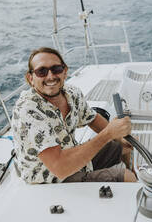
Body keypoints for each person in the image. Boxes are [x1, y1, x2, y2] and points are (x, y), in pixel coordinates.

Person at [11, 47, 136, 184]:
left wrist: (119, 136)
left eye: (56, 69)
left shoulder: (71, 93)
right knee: (126, 177)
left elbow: (92, 119)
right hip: (50, 178)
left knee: (123, 147)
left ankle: (134, 172)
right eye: (42, 71)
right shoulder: (28, 112)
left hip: (73, 159)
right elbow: (60, 168)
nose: (50, 76)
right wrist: (108, 134)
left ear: (65, 72)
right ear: (31, 78)